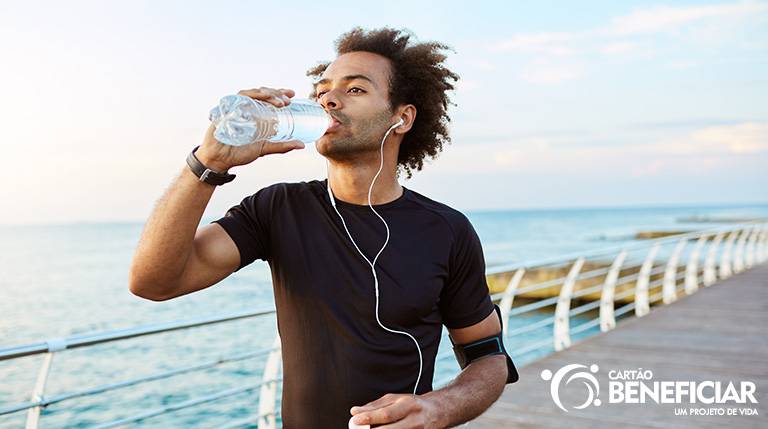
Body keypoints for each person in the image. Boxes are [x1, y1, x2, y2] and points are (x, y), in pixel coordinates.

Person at [129, 27, 515, 428]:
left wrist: (439, 408)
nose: (329, 99)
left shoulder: (447, 230)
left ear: (402, 118)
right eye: (322, 90)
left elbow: (487, 357)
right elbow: (153, 282)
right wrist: (209, 162)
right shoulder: (277, 208)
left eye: (355, 90)